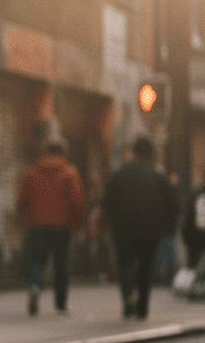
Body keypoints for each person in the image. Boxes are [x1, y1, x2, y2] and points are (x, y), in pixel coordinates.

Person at [102, 135, 179, 319]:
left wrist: (111, 219)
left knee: (125, 264)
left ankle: (128, 297)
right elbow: (172, 204)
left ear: (134, 152)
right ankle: (143, 306)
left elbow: (108, 200)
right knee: (146, 266)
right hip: (150, 228)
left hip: (123, 228)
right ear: (151, 153)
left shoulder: (121, 173)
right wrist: (167, 226)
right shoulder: (158, 174)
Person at [15, 139, 86, 316]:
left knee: (38, 260)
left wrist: (21, 220)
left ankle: (34, 285)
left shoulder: (32, 173)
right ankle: (61, 304)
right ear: (63, 153)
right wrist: (79, 224)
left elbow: (23, 199)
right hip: (62, 227)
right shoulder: (70, 173)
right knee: (61, 265)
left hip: (37, 225)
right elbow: (77, 202)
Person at [182, 178, 205, 269]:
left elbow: (188, 216)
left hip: (195, 235)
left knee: (191, 265)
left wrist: (186, 235)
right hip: (196, 234)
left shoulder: (196, 193)